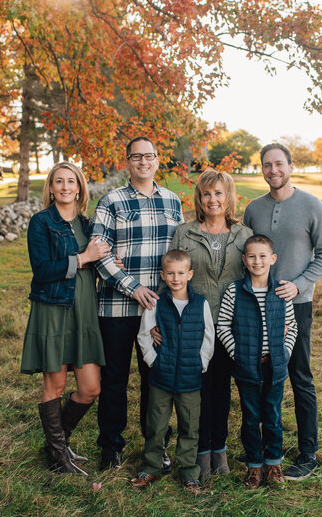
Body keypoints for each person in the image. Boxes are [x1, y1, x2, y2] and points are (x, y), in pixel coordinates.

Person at [242, 143, 322, 481]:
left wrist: (298, 284)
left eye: (278, 164)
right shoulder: (253, 209)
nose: (273, 170)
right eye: (267, 165)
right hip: (258, 307)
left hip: (296, 306)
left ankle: (308, 451)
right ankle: (266, 448)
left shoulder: (312, 206)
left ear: (290, 166)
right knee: (260, 379)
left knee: (299, 377)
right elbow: (246, 253)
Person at [91, 136, 183, 470]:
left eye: (149, 156)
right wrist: (133, 288)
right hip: (116, 308)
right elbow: (99, 254)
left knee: (155, 379)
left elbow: (177, 255)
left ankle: (156, 445)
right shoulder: (111, 201)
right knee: (113, 379)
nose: (143, 162)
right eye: (136, 157)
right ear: (127, 162)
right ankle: (111, 446)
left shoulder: (172, 201)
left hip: (157, 309)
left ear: (158, 161)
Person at [20, 162, 111, 475]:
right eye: (58, 181)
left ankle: (57, 443)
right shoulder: (41, 222)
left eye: (71, 181)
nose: (64, 187)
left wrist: (106, 260)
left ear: (80, 187)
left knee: (90, 388)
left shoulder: (87, 224)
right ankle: (59, 458)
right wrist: (84, 258)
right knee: (55, 385)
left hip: (85, 309)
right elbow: (42, 270)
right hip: (54, 309)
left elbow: (98, 258)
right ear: (51, 187)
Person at [166, 169, 252, 479]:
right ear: (199, 199)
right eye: (206, 194)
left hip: (231, 329)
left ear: (228, 197)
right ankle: (200, 451)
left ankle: (220, 450)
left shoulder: (243, 235)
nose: (212, 199)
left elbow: (253, 280)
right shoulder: (184, 233)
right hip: (192, 329)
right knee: (196, 393)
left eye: (218, 193)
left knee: (222, 392)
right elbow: (170, 280)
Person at [216, 235, 298, 489]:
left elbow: (292, 326)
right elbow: (223, 326)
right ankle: (254, 467)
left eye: (263, 256)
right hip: (246, 366)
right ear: (244, 260)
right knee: (251, 418)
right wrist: (237, 354)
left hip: (275, 366)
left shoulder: (281, 291)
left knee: (272, 416)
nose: (257, 261)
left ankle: (273, 463)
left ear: (272, 259)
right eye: (251, 256)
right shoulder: (235, 290)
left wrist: (284, 352)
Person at [131, 250, 215, 494]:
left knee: (190, 427)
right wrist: (152, 361)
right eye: (170, 273)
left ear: (189, 274)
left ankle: (189, 473)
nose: (176, 278)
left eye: (180, 273)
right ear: (163, 275)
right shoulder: (157, 302)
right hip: (161, 376)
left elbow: (208, 337)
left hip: (191, 378)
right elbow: (144, 334)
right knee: (156, 425)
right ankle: (151, 468)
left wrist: (201, 363)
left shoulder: (201, 304)